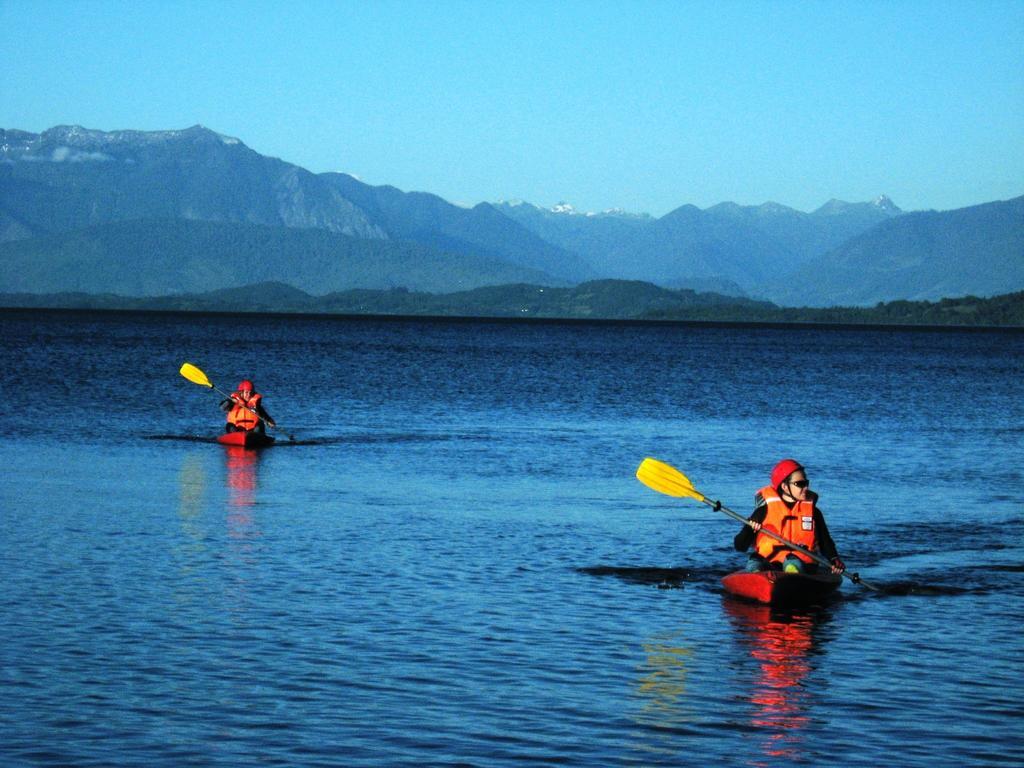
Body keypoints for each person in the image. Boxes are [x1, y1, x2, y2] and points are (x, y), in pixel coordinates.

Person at [734, 459, 845, 575]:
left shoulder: (814, 512)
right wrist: (749, 528)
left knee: (792, 563)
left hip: (803, 565)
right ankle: (757, 577)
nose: (806, 488)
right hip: (771, 564)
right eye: (800, 484)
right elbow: (739, 546)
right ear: (785, 487)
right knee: (755, 561)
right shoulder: (762, 511)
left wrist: (834, 559)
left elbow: (825, 542)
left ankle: (791, 576)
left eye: (806, 483)